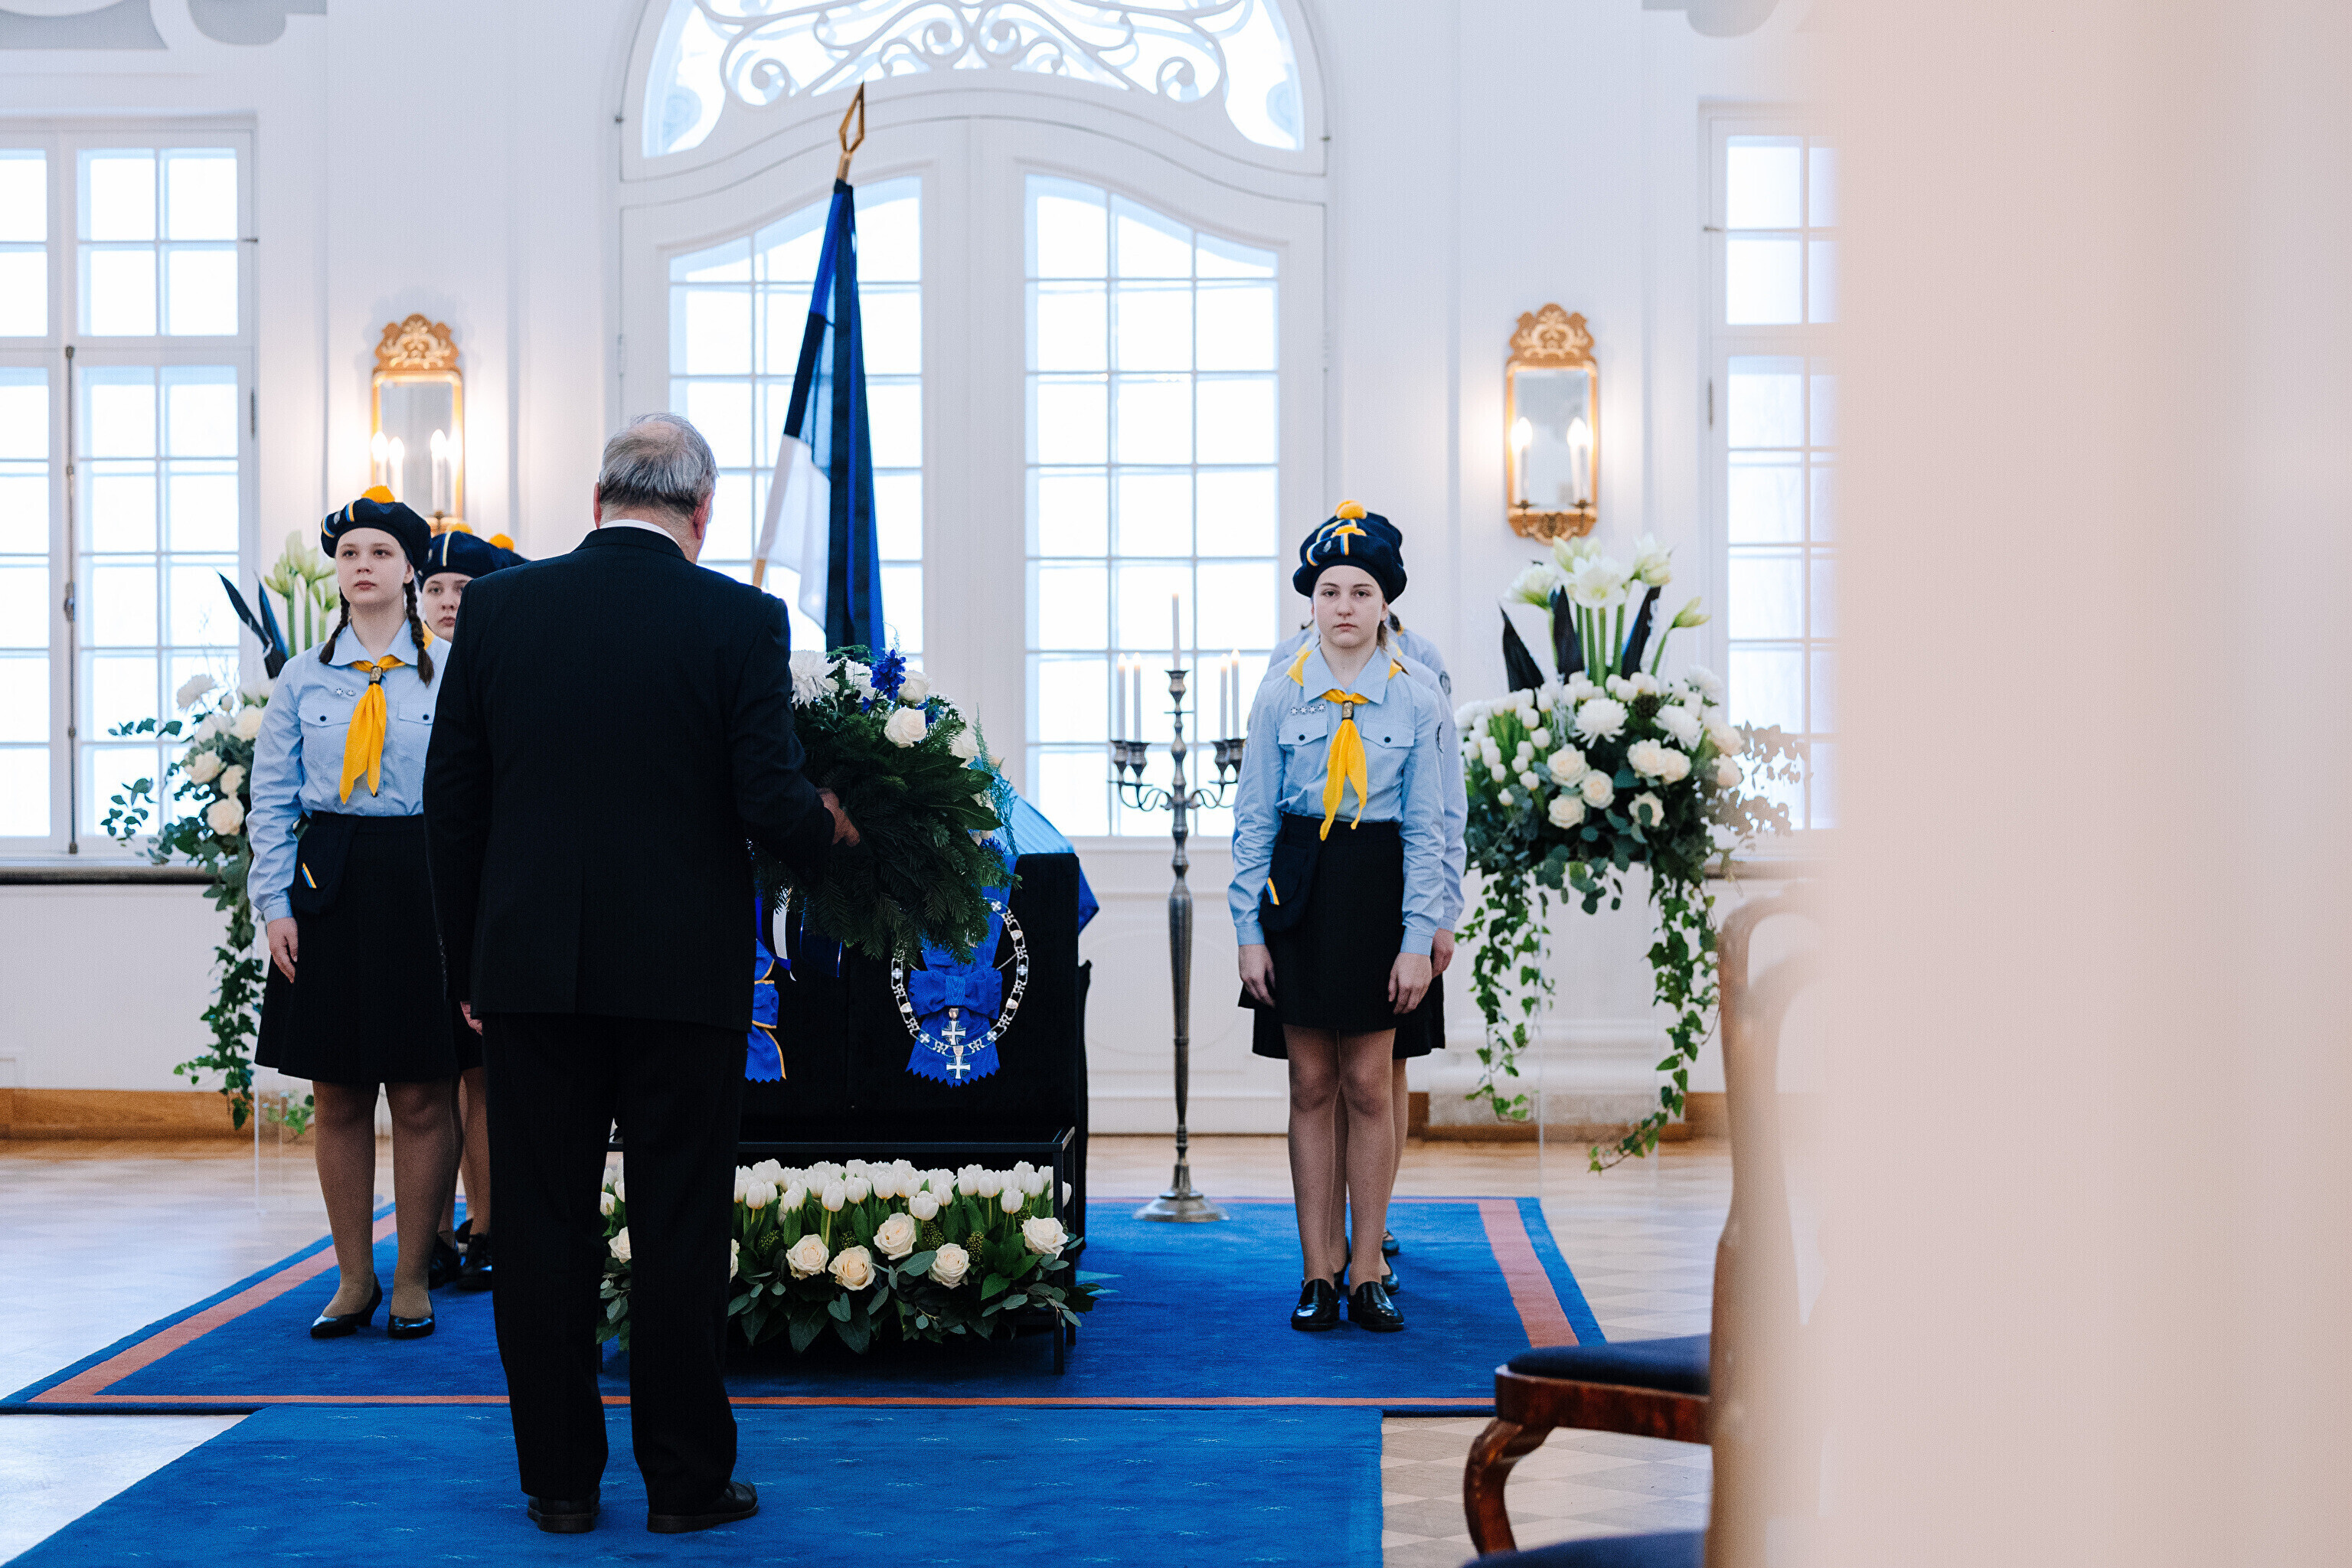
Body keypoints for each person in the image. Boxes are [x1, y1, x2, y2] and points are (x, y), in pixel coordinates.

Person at [425, 413, 855, 1537]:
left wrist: (471, 961)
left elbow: (452, 800)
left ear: (598, 497)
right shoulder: (740, 619)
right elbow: (768, 798)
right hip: (680, 978)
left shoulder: (501, 608)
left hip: (529, 972)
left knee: (540, 1226)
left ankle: (561, 1483)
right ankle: (684, 1481)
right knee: (677, 1225)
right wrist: (834, 827)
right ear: (701, 511)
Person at [1230, 501, 1449, 1334]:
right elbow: (1253, 820)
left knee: (1366, 1082)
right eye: (1330, 591)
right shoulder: (1279, 692)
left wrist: (1418, 938)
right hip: (1300, 887)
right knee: (1310, 1082)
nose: (1345, 606)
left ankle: (1367, 1271)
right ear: (1311, 601)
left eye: (1361, 591)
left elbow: (1427, 829)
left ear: (1386, 602)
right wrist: (1248, 930)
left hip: (1378, 888)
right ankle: (1316, 1269)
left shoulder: (1417, 695)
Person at [248, 488, 460, 1343]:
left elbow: (478, 791)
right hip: (328, 879)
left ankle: (412, 1277)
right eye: (348, 553)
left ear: (410, 570)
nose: (362, 565)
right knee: (336, 1090)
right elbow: (271, 799)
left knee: (422, 1089)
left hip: (423, 876)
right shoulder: (304, 676)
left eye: (380, 552)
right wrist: (275, 905)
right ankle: (352, 1277)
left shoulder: (453, 668)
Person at [416, 526, 528, 1294]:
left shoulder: (503, 663)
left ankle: (488, 1222)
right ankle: (430, 1227)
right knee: (428, 1075)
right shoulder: (403, 668)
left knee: (481, 1072)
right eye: (436, 588)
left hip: (485, 885)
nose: (449, 602)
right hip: (409, 891)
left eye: (464, 588)